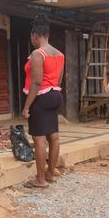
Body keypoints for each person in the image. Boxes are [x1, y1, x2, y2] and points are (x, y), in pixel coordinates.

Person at [22, 14, 65, 189]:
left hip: (41, 97)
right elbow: (59, 79)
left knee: (39, 139)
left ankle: (40, 180)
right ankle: (50, 174)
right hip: (55, 95)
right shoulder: (59, 54)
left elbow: (37, 82)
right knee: (53, 136)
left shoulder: (37, 54)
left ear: (35, 36)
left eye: (32, 37)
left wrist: (26, 107)